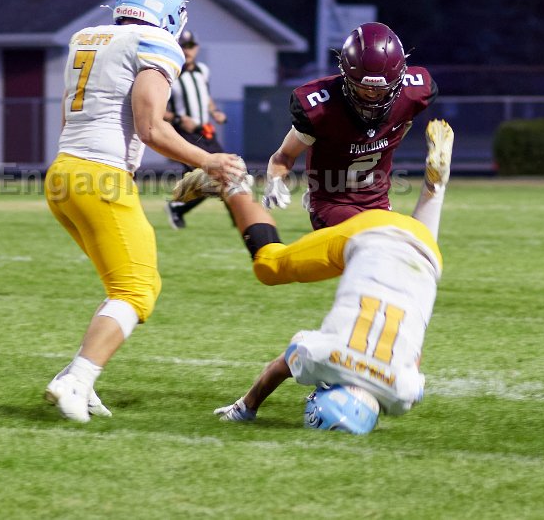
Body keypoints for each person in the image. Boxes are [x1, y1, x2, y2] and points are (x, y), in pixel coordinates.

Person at [43, 0, 248, 423]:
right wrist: (208, 161)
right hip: (100, 176)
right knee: (135, 290)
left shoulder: (87, 38)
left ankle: (79, 377)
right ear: (168, 11)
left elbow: (69, 118)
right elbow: (151, 127)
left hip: (63, 172)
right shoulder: (154, 42)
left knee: (135, 285)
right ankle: (76, 379)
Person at [173, 119, 453, 433]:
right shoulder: (323, 358)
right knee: (269, 266)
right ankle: (233, 183)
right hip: (370, 234)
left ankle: (434, 188)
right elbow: (279, 368)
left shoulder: (402, 395)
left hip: (425, 251)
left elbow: (414, 356)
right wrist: (246, 407)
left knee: (418, 266)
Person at [262, 22, 437, 230]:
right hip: (333, 204)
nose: (372, 94)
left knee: (405, 243)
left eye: (380, 89)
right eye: (364, 88)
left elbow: (401, 125)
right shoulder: (321, 107)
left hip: (378, 203)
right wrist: (275, 180)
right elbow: (284, 155)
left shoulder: (412, 95)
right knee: (369, 240)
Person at [163, 29, 229, 229]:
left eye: (191, 46)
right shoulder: (169, 73)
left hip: (206, 131)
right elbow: (156, 109)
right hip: (185, 134)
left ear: (197, 48)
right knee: (206, 178)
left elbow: (205, 96)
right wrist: (178, 119)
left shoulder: (202, 70)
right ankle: (178, 207)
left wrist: (215, 112)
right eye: (183, 46)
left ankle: (240, 220)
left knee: (228, 171)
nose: (187, 50)